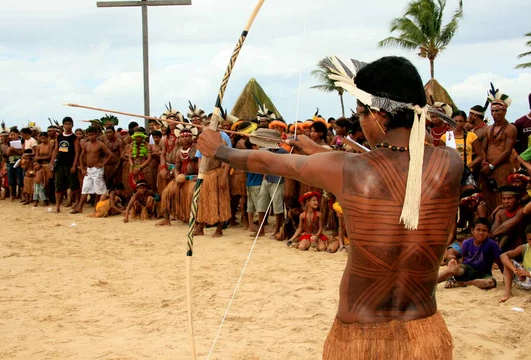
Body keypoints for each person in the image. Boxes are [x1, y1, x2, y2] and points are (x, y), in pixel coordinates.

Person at [197, 56, 462, 358]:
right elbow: (402, 165)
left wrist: (218, 150)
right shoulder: (451, 164)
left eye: (360, 113)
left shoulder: (347, 169)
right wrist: (323, 151)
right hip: (424, 335)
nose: (360, 122)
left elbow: (268, 160)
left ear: (377, 114)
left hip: (359, 339)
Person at [437, 218, 501, 289]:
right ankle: (431, 282)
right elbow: (464, 259)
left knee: (490, 282)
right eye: (478, 230)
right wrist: (458, 267)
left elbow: (498, 261)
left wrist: (505, 275)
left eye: (484, 230)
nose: (481, 233)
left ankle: (462, 283)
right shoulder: (466, 243)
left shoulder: (492, 244)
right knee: (454, 269)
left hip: (483, 273)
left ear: (488, 233)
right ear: (472, 231)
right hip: (467, 269)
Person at [479, 95, 517, 211]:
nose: (494, 114)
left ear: (505, 111)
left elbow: (507, 152)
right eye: (492, 111)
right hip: (487, 169)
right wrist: (484, 162)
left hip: (502, 168)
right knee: (487, 199)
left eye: (497, 111)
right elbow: (483, 149)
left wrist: (491, 166)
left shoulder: (510, 128)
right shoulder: (488, 129)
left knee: (501, 198)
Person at [71, 126, 113, 214]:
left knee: (99, 189)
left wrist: (103, 164)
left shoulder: (100, 144)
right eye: (89, 135)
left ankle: (96, 207)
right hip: (88, 169)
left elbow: (110, 154)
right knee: (85, 188)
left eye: (92, 135)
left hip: (97, 169)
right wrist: (82, 168)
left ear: (96, 134)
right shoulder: (86, 144)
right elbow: (81, 156)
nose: (91, 137)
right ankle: (79, 207)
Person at [499, 222, 531, 303]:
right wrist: (515, 270)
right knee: (508, 262)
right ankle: (507, 293)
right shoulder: (525, 248)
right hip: (527, 281)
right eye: (530, 240)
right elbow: (503, 256)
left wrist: (529, 274)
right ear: (526, 239)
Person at [50, 117, 81, 213]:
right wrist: (52, 161)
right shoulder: (59, 137)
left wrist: (74, 165)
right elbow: (56, 150)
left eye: (69, 124)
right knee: (58, 185)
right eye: (66, 124)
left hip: (70, 164)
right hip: (60, 164)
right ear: (63, 125)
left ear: (72, 125)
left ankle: (77, 202)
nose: (67, 126)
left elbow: (77, 152)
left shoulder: (74, 138)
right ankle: (57, 206)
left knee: (74, 185)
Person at [491, 186, 528, 252]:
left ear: (517, 200)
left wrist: (492, 235)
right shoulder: (500, 213)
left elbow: (508, 226)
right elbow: (494, 229)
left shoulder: (523, 210)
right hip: (505, 247)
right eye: (504, 199)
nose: (506, 201)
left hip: (521, 246)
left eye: (509, 198)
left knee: (509, 231)